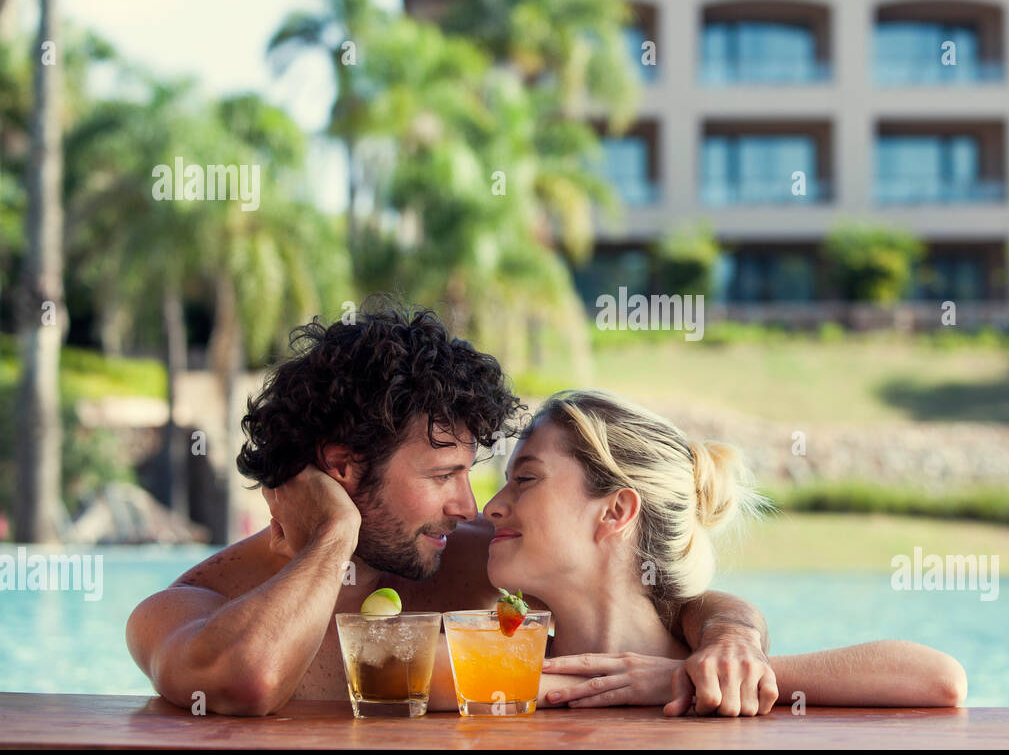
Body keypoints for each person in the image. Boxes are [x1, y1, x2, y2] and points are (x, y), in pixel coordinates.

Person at [125, 301, 776, 716]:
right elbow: (250, 680)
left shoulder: (471, 565)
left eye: (472, 473)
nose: (470, 505)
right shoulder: (186, 608)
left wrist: (732, 637)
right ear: (344, 466)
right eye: (443, 475)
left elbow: (667, 600)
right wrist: (336, 533)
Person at [269, 388, 969, 712]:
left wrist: (699, 672)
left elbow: (938, 679)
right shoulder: (500, 655)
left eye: (526, 479)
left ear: (616, 510)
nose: (490, 505)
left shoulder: (711, 672)